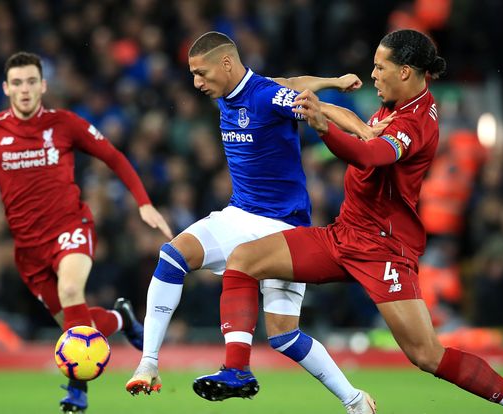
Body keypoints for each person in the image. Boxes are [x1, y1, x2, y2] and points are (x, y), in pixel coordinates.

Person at [197, 29, 503, 414]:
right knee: (243, 260)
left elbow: (371, 158)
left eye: (379, 66)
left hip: (382, 249)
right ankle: (237, 371)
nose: (372, 74)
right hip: (344, 235)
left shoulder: (415, 122)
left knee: (426, 355)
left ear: (405, 71)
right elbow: (294, 92)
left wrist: (324, 128)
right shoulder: (395, 103)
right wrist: (330, 92)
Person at [125, 31, 379, 414]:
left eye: (201, 73)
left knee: (284, 337)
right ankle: (149, 362)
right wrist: (334, 79)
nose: (196, 83)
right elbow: (293, 83)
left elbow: (316, 107)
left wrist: (362, 130)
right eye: (193, 74)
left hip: (284, 227)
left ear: (226, 63)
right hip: (240, 215)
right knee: (173, 256)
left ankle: (354, 400)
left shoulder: (263, 96)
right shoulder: (243, 91)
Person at [0, 51, 173, 414]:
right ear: (6, 88)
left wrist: (144, 202)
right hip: (28, 250)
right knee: (77, 325)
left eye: (31, 82)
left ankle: (77, 389)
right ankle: (122, 319)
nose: (24, 90)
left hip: (70, 228)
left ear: (42, 85)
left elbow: (114, 156)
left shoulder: (65, 124)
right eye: (17, 83)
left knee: (71, 290)